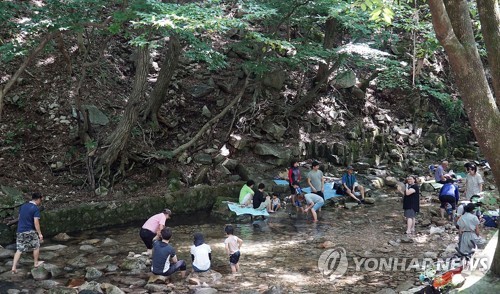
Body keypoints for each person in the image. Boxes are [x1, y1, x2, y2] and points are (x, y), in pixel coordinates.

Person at [11, 192, 45, 273]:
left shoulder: (23, 206)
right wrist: (39, 233)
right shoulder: (35, 208)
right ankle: (36, 263)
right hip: (29, 231)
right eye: (41, 200)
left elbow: (20, 218)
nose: (40, 202)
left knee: (19, 249)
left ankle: (13, 267)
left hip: (20, 231)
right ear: (38, 199)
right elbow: (36, 222)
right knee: (36, 245)